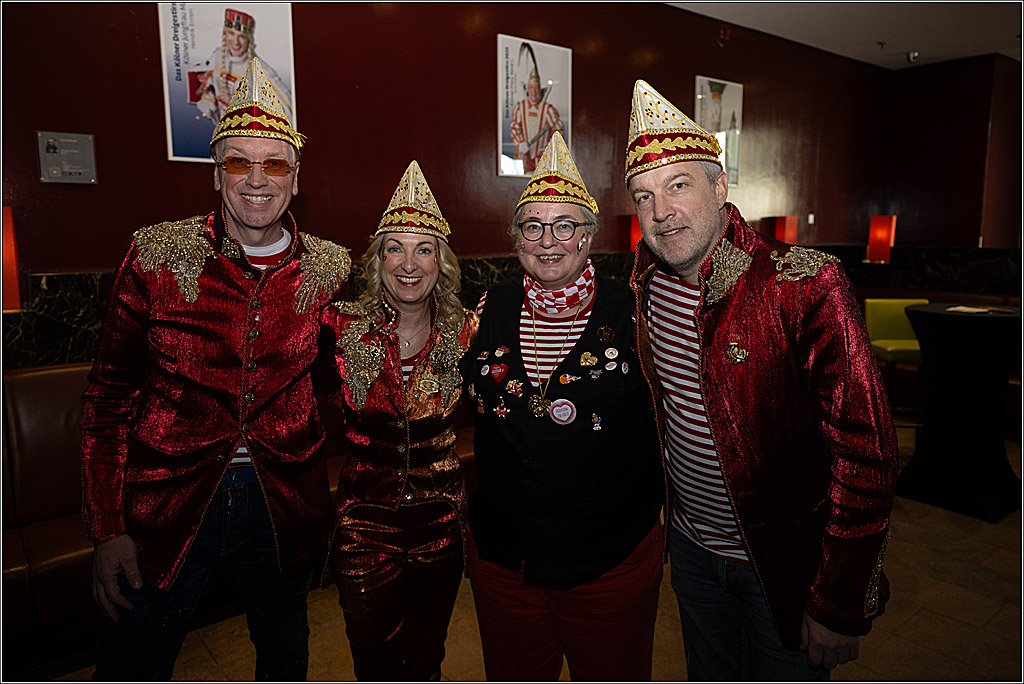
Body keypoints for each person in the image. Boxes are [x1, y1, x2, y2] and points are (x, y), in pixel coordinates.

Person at [80, 57, 352, 681]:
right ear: (215, 173)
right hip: (166, 503)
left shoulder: (331, 269)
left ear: (296, 178)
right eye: (238, 162)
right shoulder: (156, 254)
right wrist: (106, 526)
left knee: (285, 658)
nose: (257, 179)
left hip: (283, 503)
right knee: (131, 664)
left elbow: (339, 384)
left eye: (275, 164)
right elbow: (108, 399)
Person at [624, 79, 899, 680]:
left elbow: (867, 453)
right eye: (644, 196)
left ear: (720, 187)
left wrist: (839, 598)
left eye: (678, 185)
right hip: (692, 554)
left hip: (784, 566)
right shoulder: (644, 288)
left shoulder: (804, 284)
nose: (661, 211)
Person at [462, 131, 665, 681]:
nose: (548, 240)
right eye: (532, 226)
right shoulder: (487, 308)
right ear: (516, 239)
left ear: (589, 234)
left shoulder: (637, 311)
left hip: (608, 567)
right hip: (506, 563)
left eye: (565, 225)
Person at [322, 160, 479, 680]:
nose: (409, 264)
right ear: (378, 260)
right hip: (363, 523)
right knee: (373, 661)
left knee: (427, 655)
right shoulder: (340, 328)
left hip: (440, 522)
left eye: (424, 249)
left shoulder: (468, 332)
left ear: (441, 262)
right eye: (395, 248)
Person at [188, 8, 293, 131]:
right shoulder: (217, 55)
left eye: (241, 36)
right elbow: (209, 83)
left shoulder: (261, 71)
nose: (236, 42)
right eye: (231, 33)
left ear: (249, 39)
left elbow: (289, 108)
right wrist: (208, 100)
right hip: (221, 132)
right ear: (225, 34)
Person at [509, 65, 564, 174]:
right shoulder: (520, 107)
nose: (534, 92)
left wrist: (549, 147)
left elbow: (558, 128)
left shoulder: (548, 109)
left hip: (543, 160)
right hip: (524, 160)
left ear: (540, 90)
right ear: (527, 89)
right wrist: (520, 143)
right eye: (531, 88)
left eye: (536, 88)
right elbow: (514, 127)